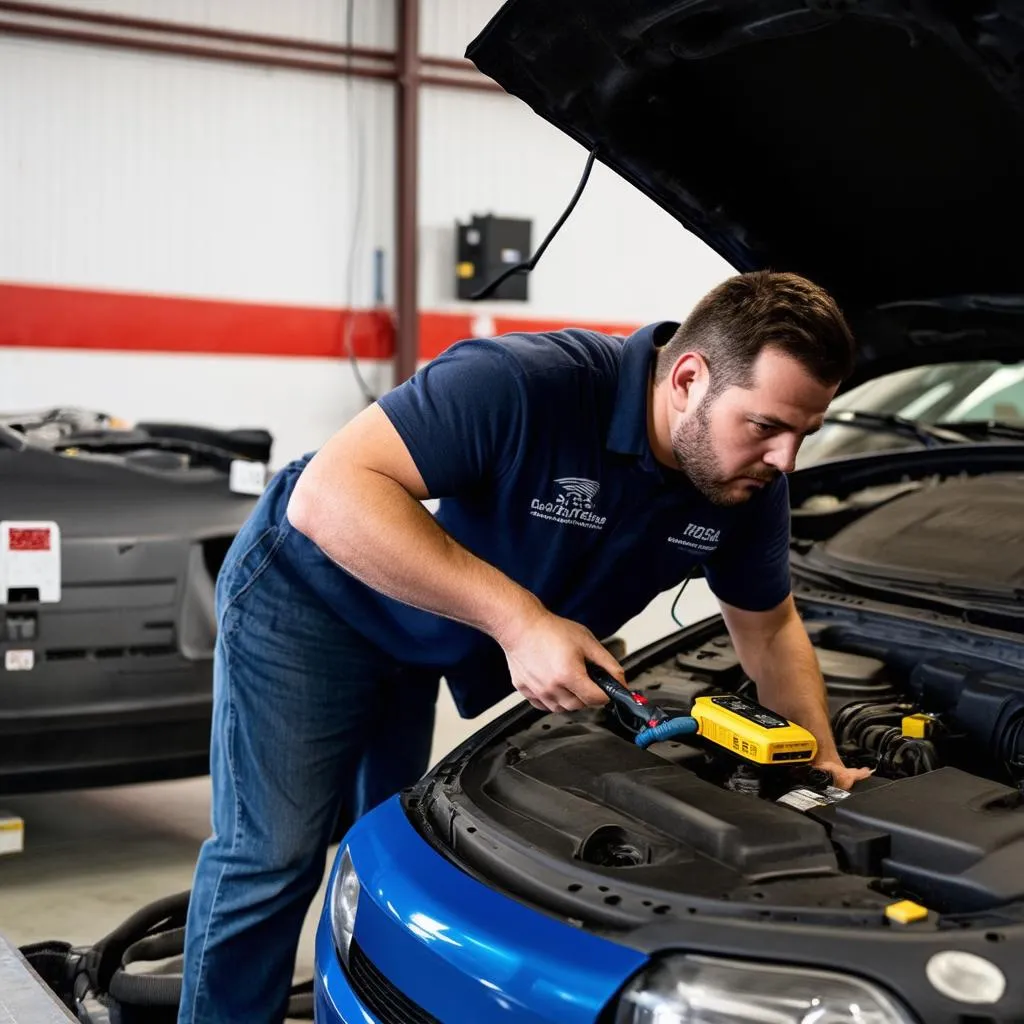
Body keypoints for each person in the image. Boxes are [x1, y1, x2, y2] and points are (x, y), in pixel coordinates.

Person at [178, 270, 872, 1023]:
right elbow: (330, 493)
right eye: (767, 426)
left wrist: (817, 761)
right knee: (273, 854)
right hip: (311, 594)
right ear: (688, 378)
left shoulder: (747, 487)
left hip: (421, 635)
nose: (787, 461)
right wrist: (519, 622)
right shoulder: (525, 385)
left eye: (805, 433)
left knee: (384, 848)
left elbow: (768, 629)